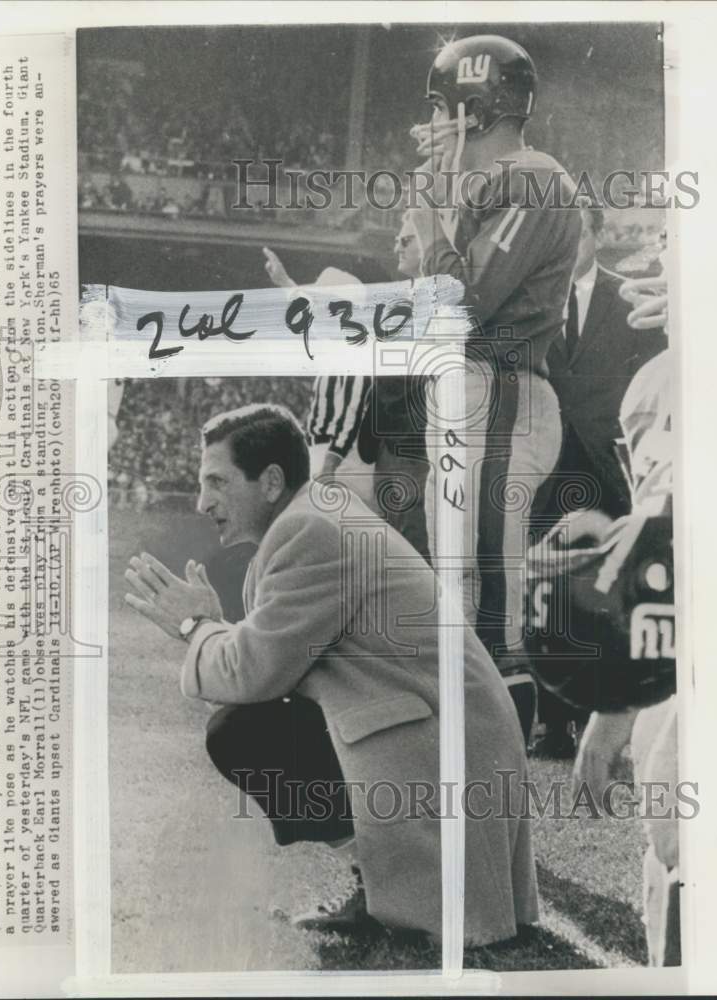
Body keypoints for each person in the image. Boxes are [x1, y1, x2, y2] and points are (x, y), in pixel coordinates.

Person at [123, 403, 538, 944]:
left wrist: (192, 624)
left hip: (443, 752)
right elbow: (268, 666)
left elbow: (251, 675)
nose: (203, 502)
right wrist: (212, 626)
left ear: (271, 481)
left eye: (217, 482)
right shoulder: (313, 516)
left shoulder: (309, 531)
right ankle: (377, 884)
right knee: (249, 722)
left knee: (241, 733)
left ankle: (389, 891)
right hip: (444, 739)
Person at [409, 35, 581, 740]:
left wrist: (427, 215)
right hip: (475, 390)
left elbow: (465, 299)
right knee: (458, 583)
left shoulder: (533, 177)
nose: (434, 123)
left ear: (477, 111)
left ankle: (493, 763)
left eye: (447, 108)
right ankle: (465, 753)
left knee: (484, 589)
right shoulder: (495, 182)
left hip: (502, 392)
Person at [534, 204, 668, 756]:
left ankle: (613, 717)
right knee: (552, 590)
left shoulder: (634, 297)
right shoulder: (533, 297)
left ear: (597, 234)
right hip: (549, 466)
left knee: (613, 594)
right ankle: (553, 723)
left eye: (575, 230)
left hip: (611, 467)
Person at [262, 248, 375, 506]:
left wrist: (329, 466)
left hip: (344, 463)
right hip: (331, 457)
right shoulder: (339, 337)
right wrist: (284, 282)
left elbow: (351, 412)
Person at [356, 211, 432, 561]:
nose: (397, 246)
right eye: (397, 240)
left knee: (410, 559)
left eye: (406, 240)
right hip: (390, 452)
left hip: (415, 454)